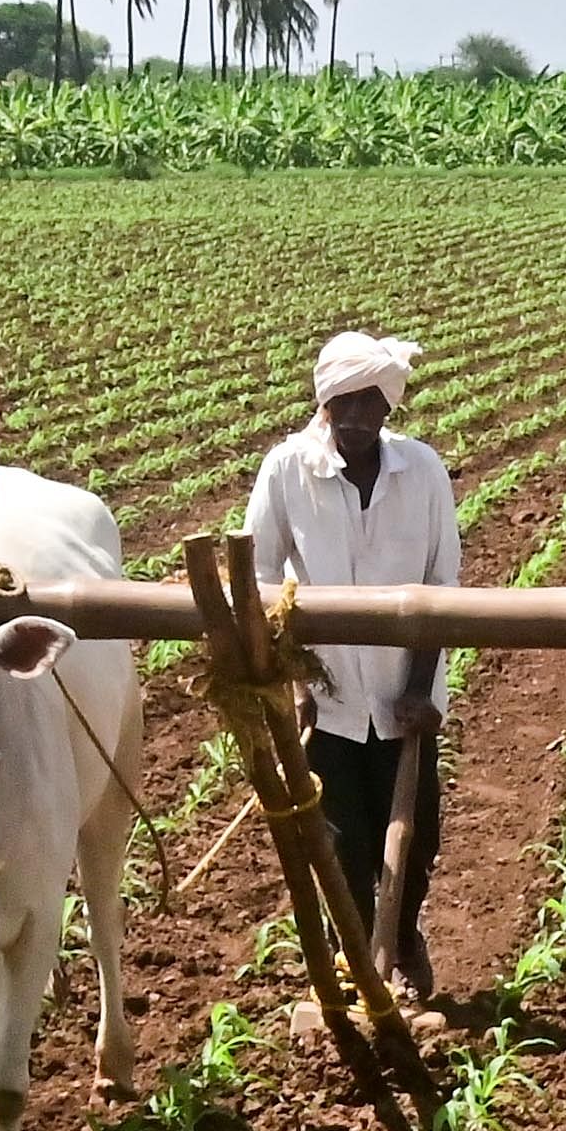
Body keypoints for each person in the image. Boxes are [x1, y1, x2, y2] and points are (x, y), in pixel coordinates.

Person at [242, 330, 461, 997]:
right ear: (324, 405)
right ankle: (357, 961)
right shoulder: (287, 470)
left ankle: (403, 938)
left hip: (406, 692)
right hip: (327, 697)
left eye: (373, 404)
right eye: (347, 404)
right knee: (342, 842)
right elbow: (257, 575)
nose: (360, 419)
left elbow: (440, 582)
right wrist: (294, 675)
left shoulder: (420, 470)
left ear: (389, 409)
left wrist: (422, 691)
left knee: (417, 838)